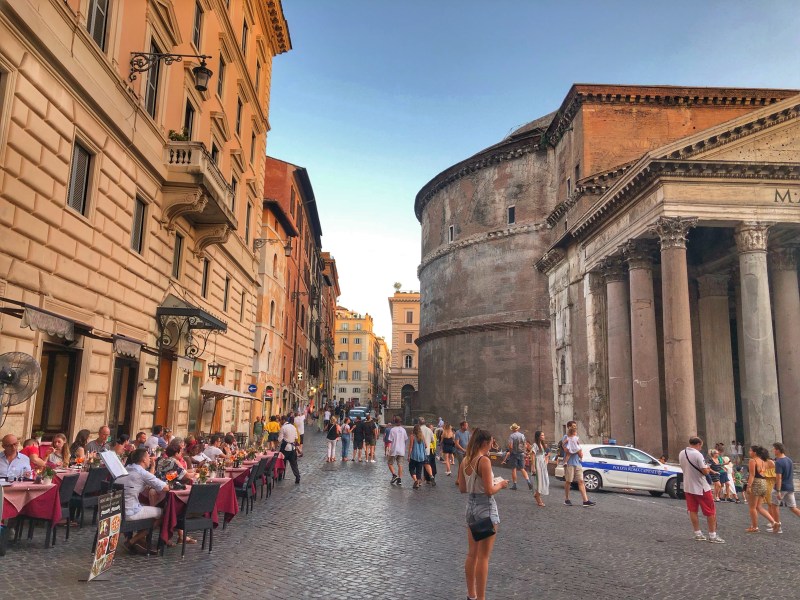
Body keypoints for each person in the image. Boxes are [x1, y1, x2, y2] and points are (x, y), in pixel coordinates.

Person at [457, 428, 507, 600]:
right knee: (484, 557)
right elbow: (489, 490)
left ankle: (471, 595)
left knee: (472, 554)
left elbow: (462, 488)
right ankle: (481, 598)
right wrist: (501, 484)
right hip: (485, 509)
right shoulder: (483, 460)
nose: (492, 446)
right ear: (485, 443)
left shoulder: (465, 460)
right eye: (491, 442)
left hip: (470, 508)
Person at [678, 437, 725, 543]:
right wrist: (708, 469)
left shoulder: (682, 453)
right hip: (701, 486)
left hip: (688, 486)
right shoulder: (698, 454)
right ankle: (712, 535)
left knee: (692, 510)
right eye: (701, 446)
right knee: (710, 511)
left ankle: (697, 533)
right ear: (699, 444)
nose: (700, 448)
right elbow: (704, 471)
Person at [122, 448, 167, 555]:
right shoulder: (141, 472)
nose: (150, 458)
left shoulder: (126, 469)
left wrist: (152, 467)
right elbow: (165, 488)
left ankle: (140, 540)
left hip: (118, 510)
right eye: (148, 457)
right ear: (143, 460)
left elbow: (148, 478)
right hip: (130, 512)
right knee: (164, 513)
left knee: (146, 506)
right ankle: (133, 540)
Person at [746, 445, 778, 533]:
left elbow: (752, 475)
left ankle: (755, 527)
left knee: (752, 507)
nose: (749, 452)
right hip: (764, 483)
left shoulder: (753, 460)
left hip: (756, 482)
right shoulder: (763, 461)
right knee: (759, 507)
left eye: (750, 451)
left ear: (754, 452)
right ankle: (774, 522)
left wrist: (748, 486)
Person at [562, 424, 595, 507]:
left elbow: (579, 450)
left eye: (575, 426)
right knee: (568, 481)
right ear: (569, 427)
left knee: (581, 481)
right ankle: (567, 499)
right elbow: (567, 450)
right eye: (573, 426)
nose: (574, 428)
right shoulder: (566, 437)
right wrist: (576, 450)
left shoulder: (576, 438)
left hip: (577, 463)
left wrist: (578, 451)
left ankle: (585, 500)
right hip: (569, 463)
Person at [772, 442, 799, 532]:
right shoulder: (789, 460)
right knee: (793, 507)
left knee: (774, 505)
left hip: (782, 487)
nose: (773, 450)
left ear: (778, 450)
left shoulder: (778, 462)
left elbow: (779, 477)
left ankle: (777, 526)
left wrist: (778, 490)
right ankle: (777, 525)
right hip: (790, 486)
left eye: (774, 449)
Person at [506, 424, 532, 491]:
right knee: (522, 468)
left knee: (514, 469)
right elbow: (525, 445)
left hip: (514, 454)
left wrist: (511, 451)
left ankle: (514, 484)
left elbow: (510, 446)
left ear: (512, 429)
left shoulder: (512, 436)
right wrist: (524, 452)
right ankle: (528, 481)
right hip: (521, 453)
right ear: (517, 429)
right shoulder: (522, 435)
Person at [278, 416, 301, 484]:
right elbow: (296, 437)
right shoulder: (293, 427)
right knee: (294, 464)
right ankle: (297, 476)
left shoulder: (283, 428)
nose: (280, 422)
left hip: (285, 448)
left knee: (282, 462)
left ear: (283, 420)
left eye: (281, 420)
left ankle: (280, 476)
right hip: (292, 448)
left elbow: (279, 439)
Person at [387, 416, 408, 486]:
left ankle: (394, 474)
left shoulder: (392, 430)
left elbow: (390, 440)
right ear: (400, 422)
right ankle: (399, 479)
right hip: (401, 449)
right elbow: (405, 439)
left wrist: (388, 449)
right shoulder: (403, 430)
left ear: (395, 422)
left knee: (390, 463)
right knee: (400, 465)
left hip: (394, 449)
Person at [531, 431, 550, 507]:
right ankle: (538, 498)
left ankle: (537, 495)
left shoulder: (542, 444)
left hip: (542, 464)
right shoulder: (535, 445)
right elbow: (532, 456)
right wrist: (533, 467)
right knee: (539, 481)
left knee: (545, 481)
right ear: (538, 436)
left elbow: (545, 454)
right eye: (542, 435)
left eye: (543, 434)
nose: (543, 436)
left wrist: (546, 459)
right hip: (538, 464)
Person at [407, 424, 428, 489]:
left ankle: (416, 481)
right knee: (419, 471)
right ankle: (418, 484)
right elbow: (426, 446)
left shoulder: (412, 436)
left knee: (411, 469)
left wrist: (408, 456)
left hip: (414, 456)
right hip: (421, 456)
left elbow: (411, 447)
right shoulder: (422, 436)